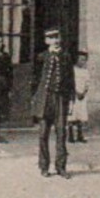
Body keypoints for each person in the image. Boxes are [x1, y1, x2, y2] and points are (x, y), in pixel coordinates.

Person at [31, 27, 76, 178]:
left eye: (57, 37)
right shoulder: (41, 57)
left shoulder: (66, 56)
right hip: (45, 99)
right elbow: (35, 80)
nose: (55, 40)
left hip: (61, 99)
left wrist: (71, 99)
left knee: (61, 132)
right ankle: (44, 166)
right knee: (43, 133)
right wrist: (35, 98)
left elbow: (70, 79)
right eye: (51, 38)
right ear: (46, 41)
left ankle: (61, 167)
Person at [70, 50, 91, 143]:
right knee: (72, 116)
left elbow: (87, 83)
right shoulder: (72, 70)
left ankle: (80, 135)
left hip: (82, 96)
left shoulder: (85, 71)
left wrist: (84, 92)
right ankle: (70, 135)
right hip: (73, 96)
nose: (83, 62)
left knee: (81, 116)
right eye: (81, 59)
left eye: (84, 60)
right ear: (76, 60)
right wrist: (76, 92)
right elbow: (70, 83)